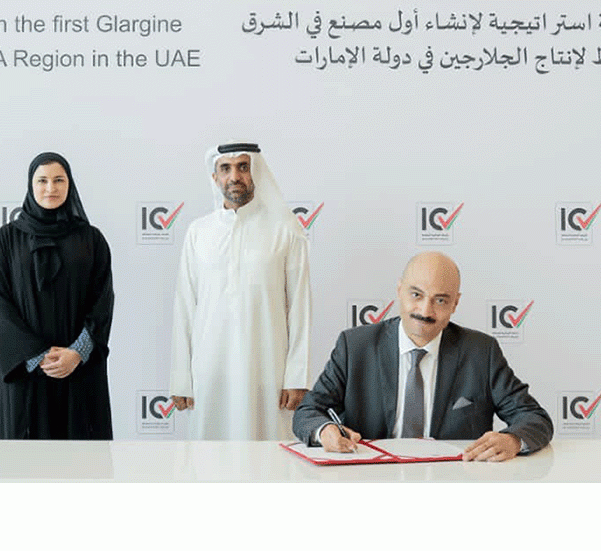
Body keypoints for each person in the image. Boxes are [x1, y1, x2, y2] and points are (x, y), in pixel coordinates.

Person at [293, 251, 553, 461]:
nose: (425, 310)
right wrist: (324, 430)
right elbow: (308, 411)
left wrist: (512, 440)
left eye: (440, 300)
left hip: (452, 480)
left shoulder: (481, 352)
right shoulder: (355, 346)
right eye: (416, 295)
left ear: (455, 303)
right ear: (399, 290)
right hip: (371, 478)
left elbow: (534, 418)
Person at [169, 142, 312, 440]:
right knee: (209, 462)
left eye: (243, 167)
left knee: (269, 460)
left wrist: (297, 376)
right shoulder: (198, 232)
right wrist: (181, 379)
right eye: (226, 168)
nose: (235, 176)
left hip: (266, 369)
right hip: (210, 370)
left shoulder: (286, 230)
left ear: (255, 171)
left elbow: (300, 307)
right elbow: (185, 308)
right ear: (215, 177)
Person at [0, 152, 115, 439]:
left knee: (82, 464)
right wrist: (38, 356)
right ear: (30, 186)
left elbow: (102, 303)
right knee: (25, 467)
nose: (51, 188)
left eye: (59, 180)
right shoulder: (6, 240)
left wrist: (76, 353)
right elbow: (0, 306)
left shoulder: (91, 239)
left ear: (70, 184)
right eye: (42, 180)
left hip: (79, 371)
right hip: (27, 373)